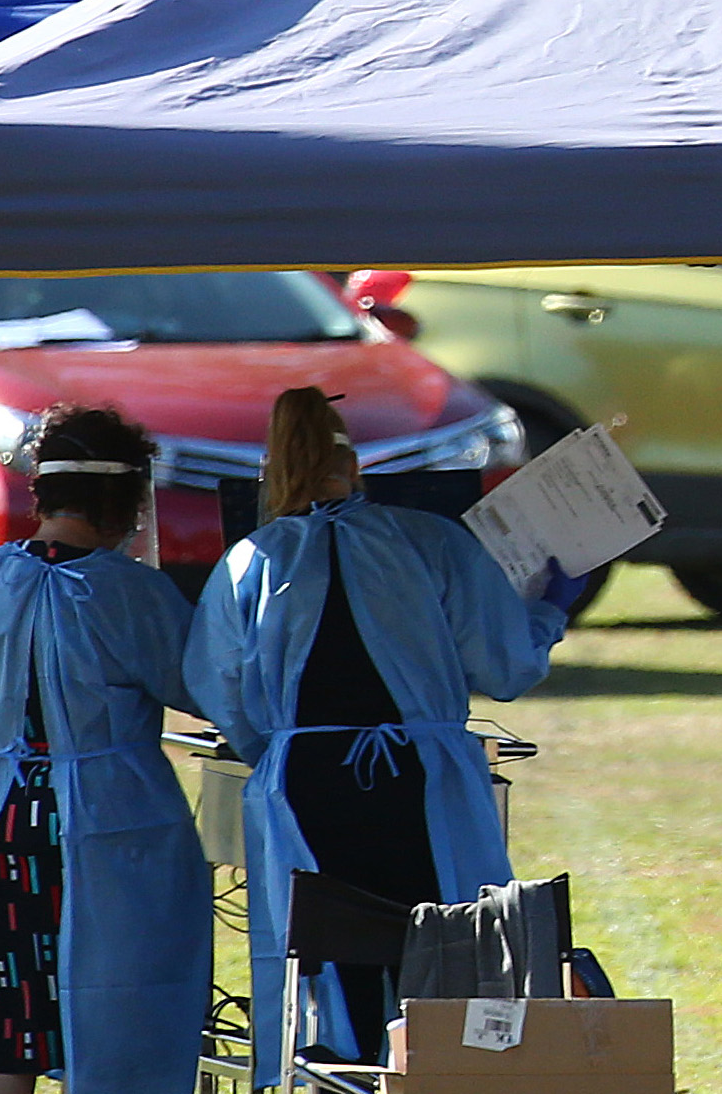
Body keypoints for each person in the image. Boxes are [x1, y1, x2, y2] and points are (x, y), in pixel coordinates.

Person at [186, 388, 587, 1082]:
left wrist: (278, 750)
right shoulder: (425, 541)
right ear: (356, 465)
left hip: (306, 786)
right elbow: (507, 665)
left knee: (321, 962)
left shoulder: (252, 559)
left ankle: (330, 1067)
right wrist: (551, 609)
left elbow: (219, 686)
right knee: (448, 946)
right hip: (421, 780)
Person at [0, 406, 206, 1094]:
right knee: (119, 1023)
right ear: (127, 500)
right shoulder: (130, 594)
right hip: (103, 832)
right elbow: (206, 683)